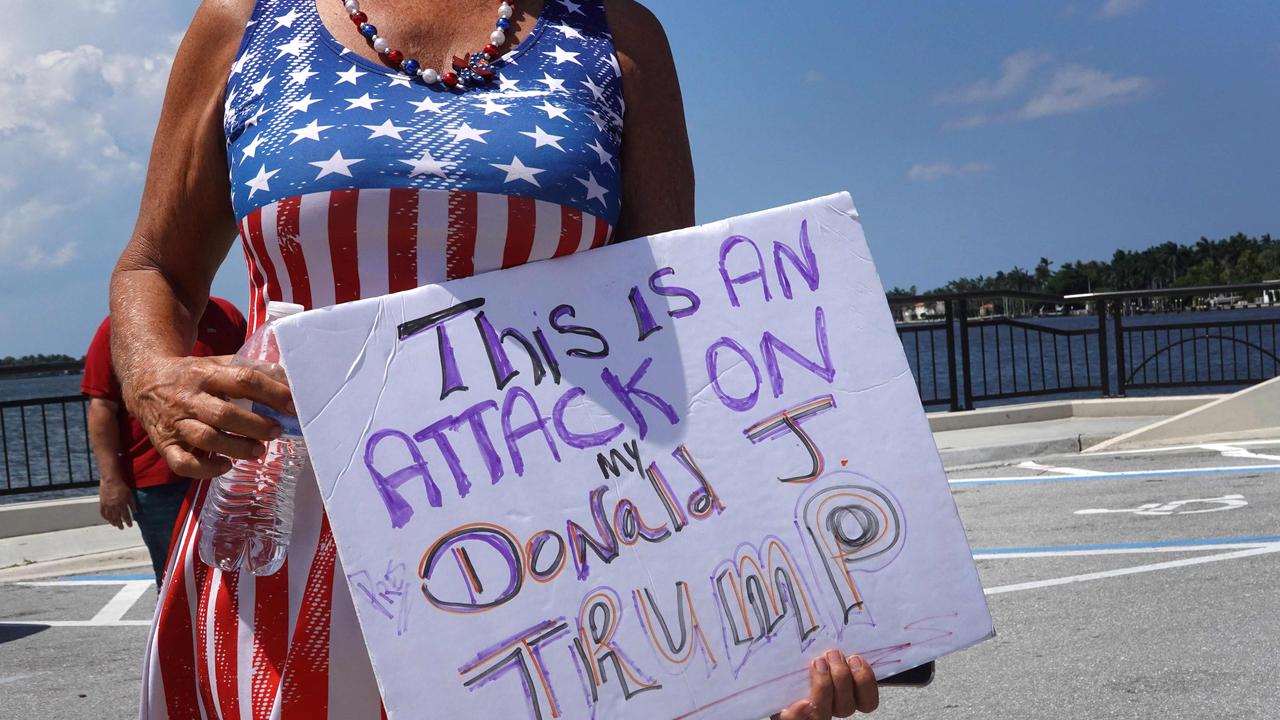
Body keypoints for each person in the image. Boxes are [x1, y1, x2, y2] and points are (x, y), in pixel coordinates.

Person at [109, 0, 879, 717]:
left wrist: (766, 639)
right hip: (287, 547)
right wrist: (152, 376)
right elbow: (154, 268)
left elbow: (672, 326)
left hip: (558, 550)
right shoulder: (246, 22)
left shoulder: (616, 35)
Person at [82, 298, 247, 587]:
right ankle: (178, 634)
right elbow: (102, 408)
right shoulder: (121, 327)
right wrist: (111, 481)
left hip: (228, 473)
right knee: (175, 579)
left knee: (238, 574)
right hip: (158, 482)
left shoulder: (226, 314)